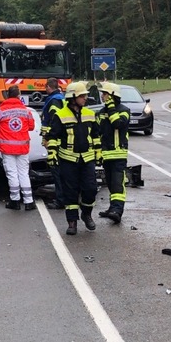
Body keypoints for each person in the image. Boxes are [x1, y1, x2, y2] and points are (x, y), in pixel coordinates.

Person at [45, 81, 101, 235]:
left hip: (87, 159)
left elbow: (95, 135)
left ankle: (86, 213)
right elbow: (53, 137)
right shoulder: (60, 115)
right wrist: (52, 155)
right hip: (68, 160)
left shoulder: (90, 114)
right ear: (73, 97)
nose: (85, 98)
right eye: (82, 96)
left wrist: (99, 153)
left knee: (90, 189)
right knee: (70, 192)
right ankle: (72, 222)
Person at [0, 87, 36, 211]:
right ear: (19, 95)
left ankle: (15, 201)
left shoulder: (0, 111)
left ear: (7, 95)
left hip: (7, 148)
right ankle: (29, 201)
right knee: (23, 173)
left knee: (12, 173)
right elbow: (31, 126)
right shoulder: (25, 111)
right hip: (22, 147)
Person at [95, 82, 130, 224]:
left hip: (118, 154)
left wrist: (110, 107)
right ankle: (112, 208)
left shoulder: (124, 110)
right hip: (105, 154)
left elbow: (118, 124)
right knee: (109, 183)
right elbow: (96, 132)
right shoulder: (101, 112)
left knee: (117, 184)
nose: (102, 96)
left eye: (105, 94)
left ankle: (117, 211)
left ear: (112, 96)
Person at [40, 77, 66, 205]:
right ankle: (63, 198)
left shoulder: (54, 101)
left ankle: (60, 200)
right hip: (58, 139)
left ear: (48, 87)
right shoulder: (59, 98)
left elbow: (55, 121)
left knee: (57, 170)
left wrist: (48, 137)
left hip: (54, 141)